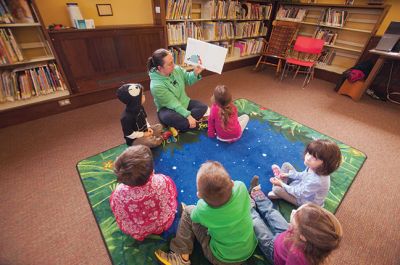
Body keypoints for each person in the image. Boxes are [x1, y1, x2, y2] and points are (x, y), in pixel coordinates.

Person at [154, 161, 257, 265]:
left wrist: (198, 210)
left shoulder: (203, 209)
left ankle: (181, 257)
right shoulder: (241, 187)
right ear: (232, 183)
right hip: (248, 249)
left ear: (199, 195)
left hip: (221, 259)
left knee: (188, 212)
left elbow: (195, 217)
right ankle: (254, 197)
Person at [249, 180, 343, 265]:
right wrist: (293, 226)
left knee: (256, 223)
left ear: (302, 235)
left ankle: (248, 208)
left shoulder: (297, 255)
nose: (293, 211)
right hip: (285, 235)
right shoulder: (309, 235)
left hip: (274, 251)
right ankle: (257, 195)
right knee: (272, 213)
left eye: (296, 214)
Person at [109, 145, 178, 241]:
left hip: (137, 229)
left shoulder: (118, 193)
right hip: (161, 222)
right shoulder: (162, 181)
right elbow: (172, 191)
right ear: (151, 171)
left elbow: (116, 208)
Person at [148, 48, 208, 131]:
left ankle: (182, 125)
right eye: (170, 64)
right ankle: (190, 123)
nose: (174, 65)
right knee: (169, 117)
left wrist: (195, 73)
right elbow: (173, 103)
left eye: (173, 61)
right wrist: (188, 116)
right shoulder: (156, 86)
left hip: (184, 102)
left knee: (203, 107)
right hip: (168, 109)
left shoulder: (176, 69)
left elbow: (188, 79)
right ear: (160, 68)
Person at [269, 139, 341, 206]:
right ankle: (280, 181)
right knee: (286, 165)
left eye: (315, 158)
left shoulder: (316, 181)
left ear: (325, 164)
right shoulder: (314, 167)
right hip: (302, 185)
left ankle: (278, 189)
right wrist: (288, 174)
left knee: (276, 189)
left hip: (303, 200)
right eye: (309, 153)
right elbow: (303, 175)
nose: (308, 158)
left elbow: (299, 193)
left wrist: (281, 184)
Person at [116, 83, 163, 148]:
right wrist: (143, 134)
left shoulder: (140, 107)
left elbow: (145, 119)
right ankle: (153, 140)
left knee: (159, 126)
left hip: (144, 130)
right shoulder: (126, 117)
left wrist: (148, 127)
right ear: (135, 100)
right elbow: (129, 134)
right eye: (142, 95)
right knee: (150, 142)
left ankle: (152, 137)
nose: (144, 95)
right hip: (135, 139)